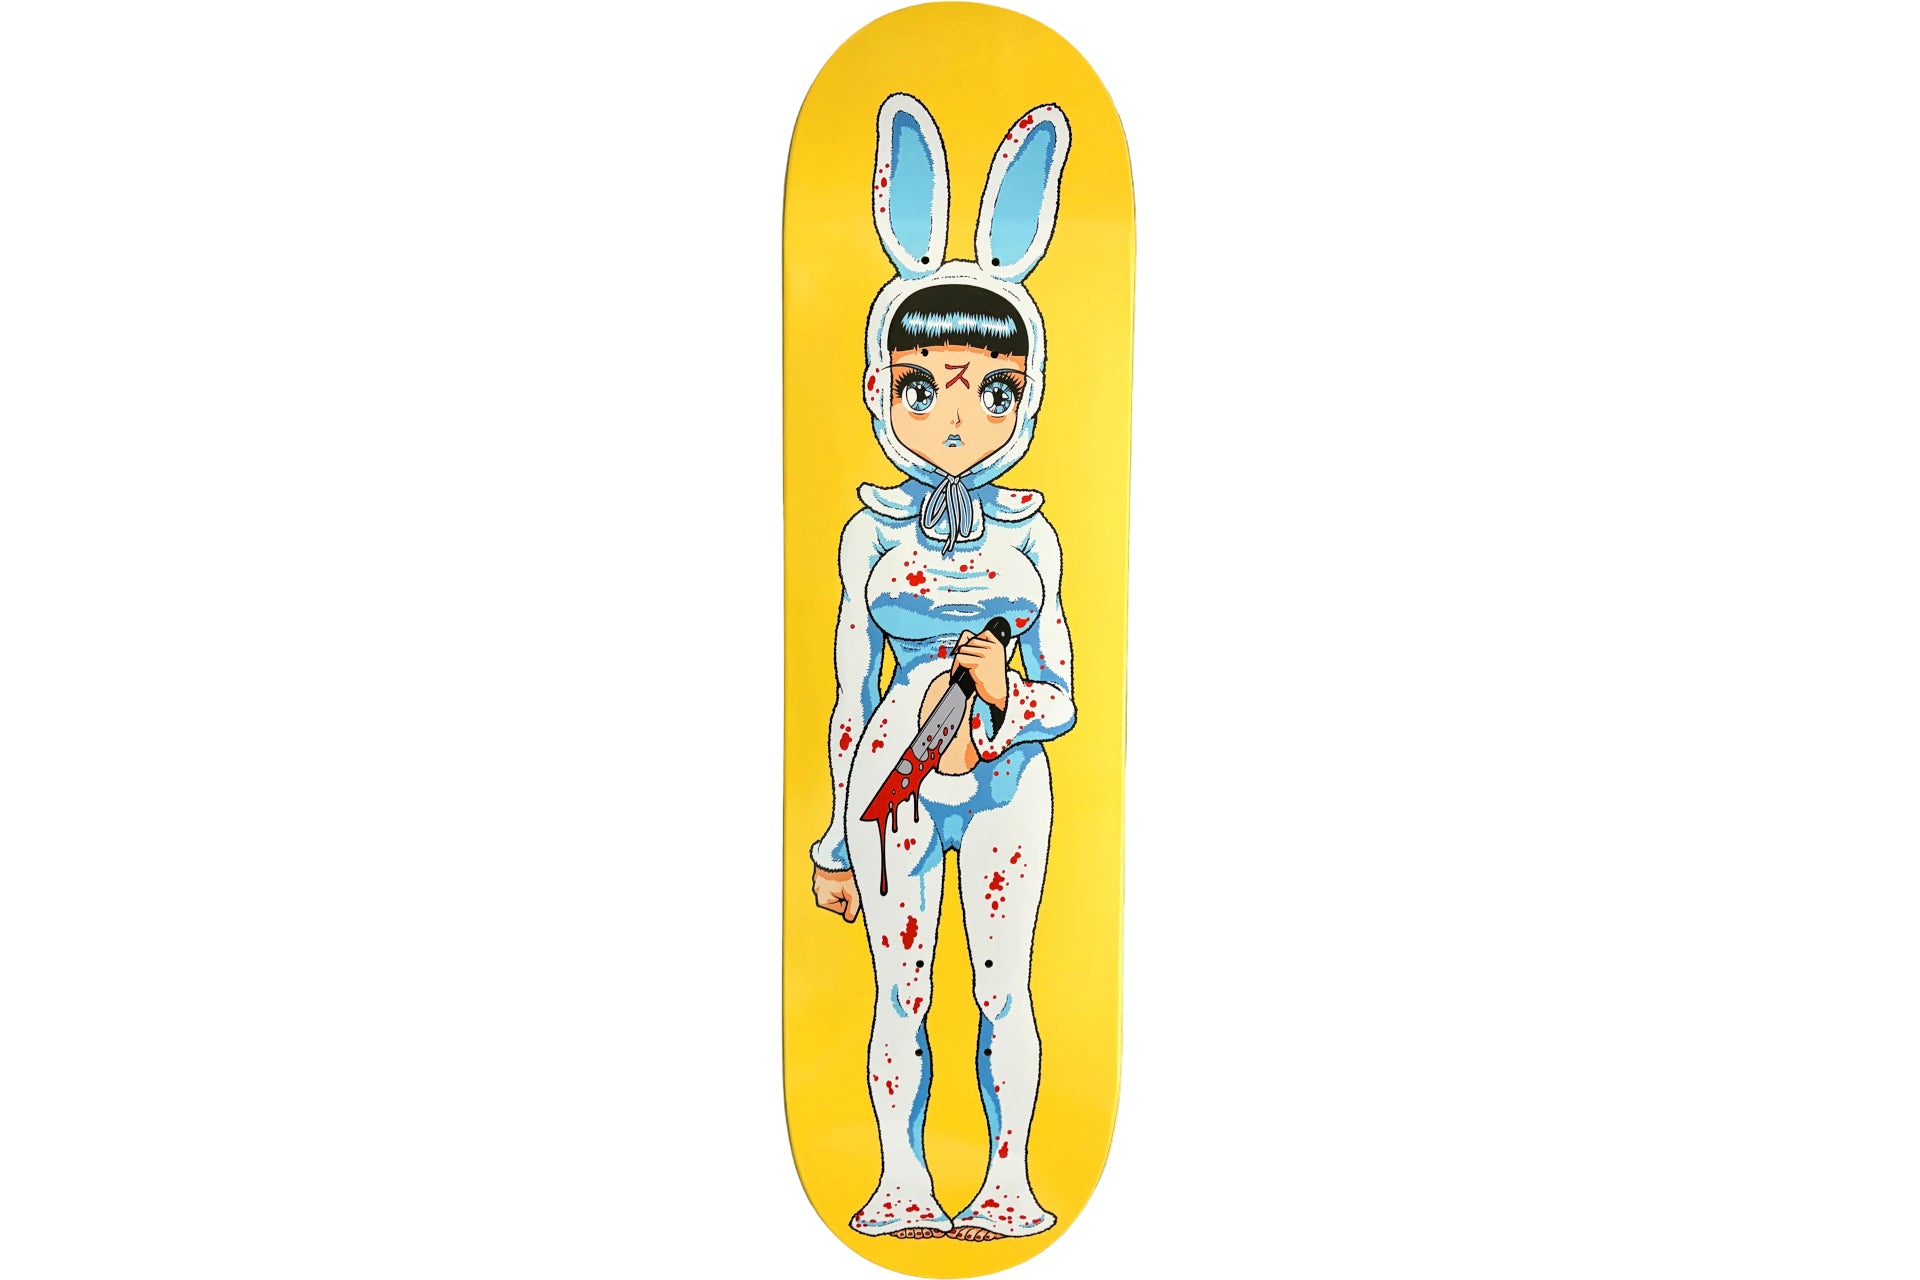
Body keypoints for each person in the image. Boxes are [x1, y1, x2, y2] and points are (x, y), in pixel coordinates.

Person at [809, 94, 1076, 1242]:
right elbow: (848, 688)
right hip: (893, 781)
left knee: (1004, 985)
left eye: (991, 389)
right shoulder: (868, 533)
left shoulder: (1033, 536)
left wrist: (1009, 702)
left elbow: (1064, 687)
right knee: (901, 990)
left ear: (1025, 393)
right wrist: (835, 838)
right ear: (882, 388)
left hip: (1007, 781)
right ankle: (902, 1179)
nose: (956, 417)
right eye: (925, 385)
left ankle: (1009, 1177)